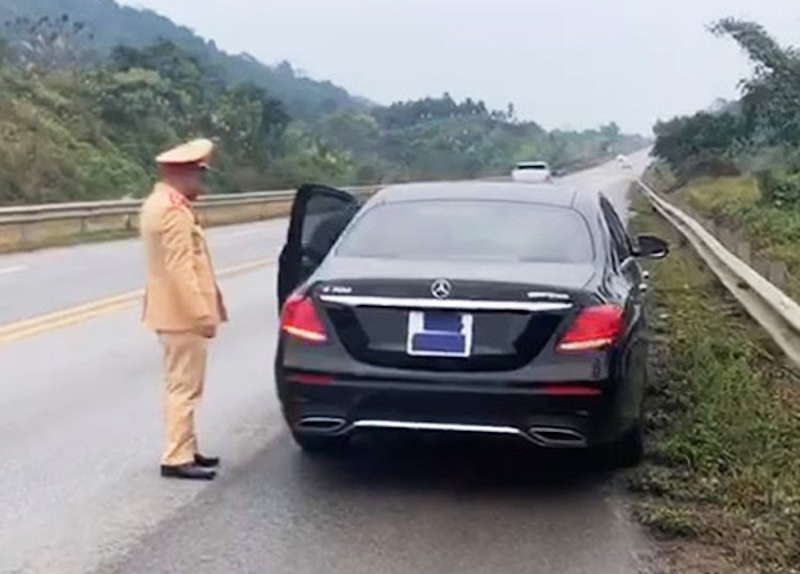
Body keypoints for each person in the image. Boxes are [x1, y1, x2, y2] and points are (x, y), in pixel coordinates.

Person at [139, 138, 228, 481]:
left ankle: (186, 447)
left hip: (169, 312)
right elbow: (180, 270)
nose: (201, 183)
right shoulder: (173, 212)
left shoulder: (158, 203)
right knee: (184, 388)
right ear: (183, 174)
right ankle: (177, 456)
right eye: (198, 175)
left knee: (183, 385)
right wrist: (201, 315)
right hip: (181, 316)